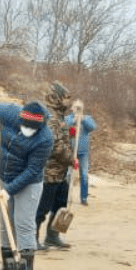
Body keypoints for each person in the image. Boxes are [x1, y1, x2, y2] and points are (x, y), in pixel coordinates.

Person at [0, 99, 54, 270]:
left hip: (29, 182)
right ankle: (8, 267)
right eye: (25, 126)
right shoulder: (9, 113)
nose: (28, 130)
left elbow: (33, 170)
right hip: (4, 175)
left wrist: (8, 190)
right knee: (5, 223)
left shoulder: (45, 138)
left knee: (24, 224)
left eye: (32, 128)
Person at [35, 82, 77, 250]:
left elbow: (64, 138)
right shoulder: (50, 117)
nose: (68, 102)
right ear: (56, 98)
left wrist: (71, 132)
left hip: (61, 172)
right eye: (65, 98)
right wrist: (71, 158)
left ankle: (52, 236)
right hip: (49, 172)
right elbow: (55, 146)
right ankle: (32, 238)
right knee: (42, 207)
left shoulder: (59, 116)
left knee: (61, 203)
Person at [65, 107, 97, 205]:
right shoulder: (68, 118)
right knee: (67, 175)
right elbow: (65, 125)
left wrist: (82, 119)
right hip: (70, 151)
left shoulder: (87, 118)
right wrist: (74, 120)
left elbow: (92, 127)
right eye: (76, 109)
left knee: (84, 175)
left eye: (80, 109)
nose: (78, 111)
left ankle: (84, 198)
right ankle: (65, 197)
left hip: (83, 152)